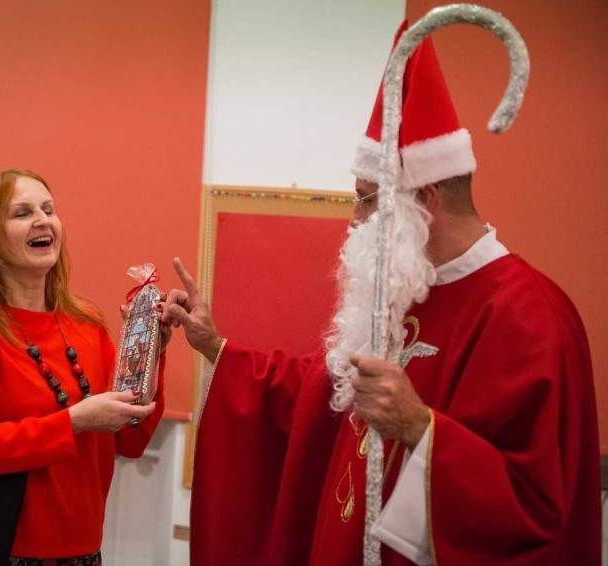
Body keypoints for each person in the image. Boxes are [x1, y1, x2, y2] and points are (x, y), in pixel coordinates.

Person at [161, 21, 601, 566]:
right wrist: (216, 346)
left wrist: (421, 428)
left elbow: (537, 512)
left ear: (428, 198)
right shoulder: (409, 291)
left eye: (367, 200)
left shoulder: (530, 318)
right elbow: (323, 392)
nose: (354, 220)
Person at [0, 168, 166, 566]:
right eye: (22, 213)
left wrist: (153, 352)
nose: (43, 220)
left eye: (49, 209)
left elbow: (130, 442)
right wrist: (74, 422)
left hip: (85, 553)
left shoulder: (85, 320)